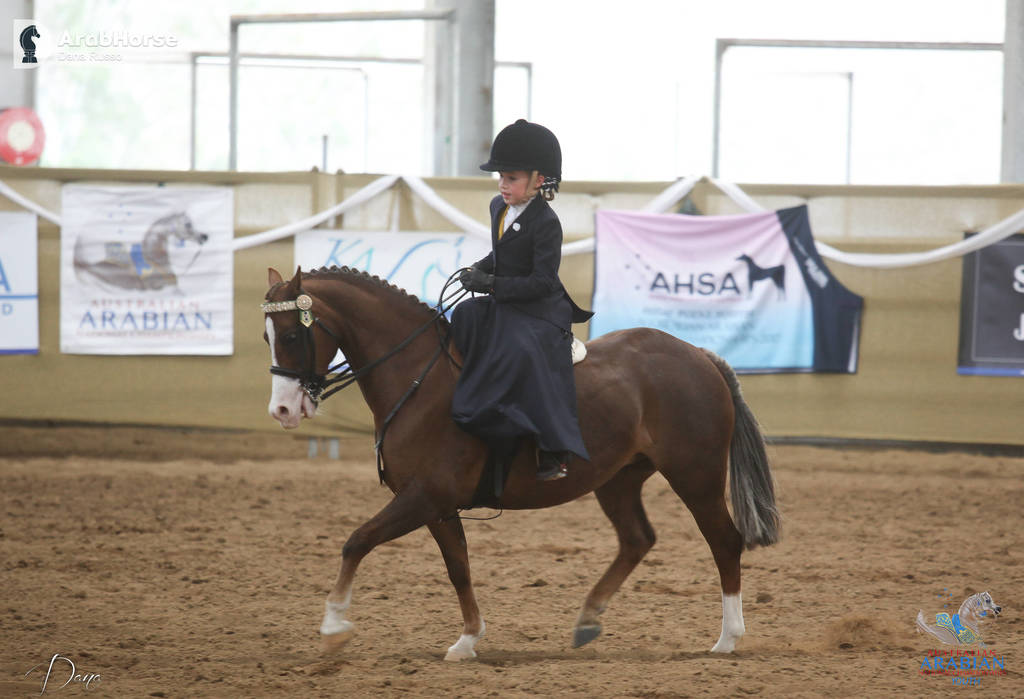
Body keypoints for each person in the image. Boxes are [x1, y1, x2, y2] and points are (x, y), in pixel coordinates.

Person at [451, 119, 593, 481]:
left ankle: (554, 447)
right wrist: (477, 270)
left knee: (519, 347)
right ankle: (473, 402)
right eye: (501, 176)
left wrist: (491, 284)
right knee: (464, 315)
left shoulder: (546, 223)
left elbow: (542, 283)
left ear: (539, 180)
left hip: (540, 308)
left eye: (512, 178)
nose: (503, 184)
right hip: (508, 300)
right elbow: (500, 254)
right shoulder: (498, 207)